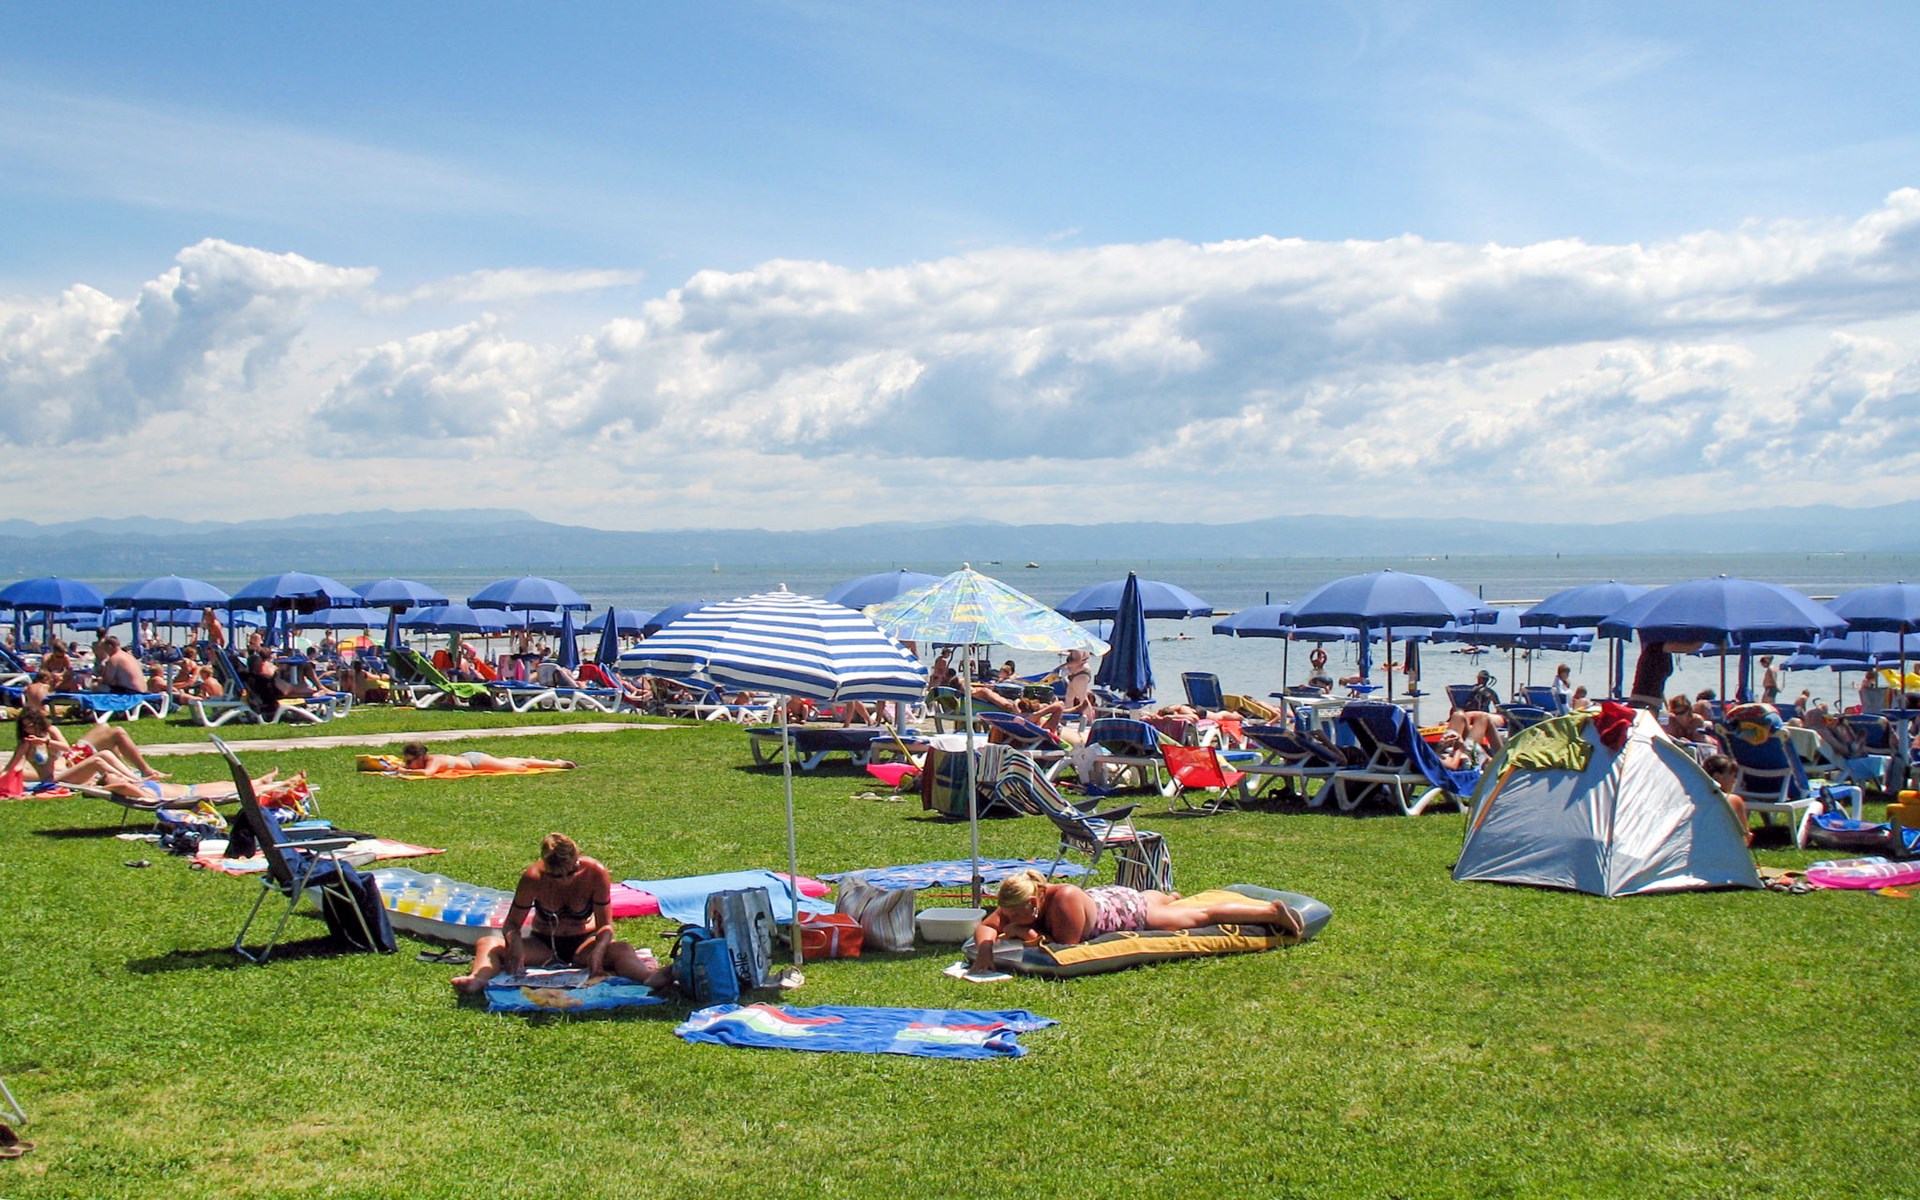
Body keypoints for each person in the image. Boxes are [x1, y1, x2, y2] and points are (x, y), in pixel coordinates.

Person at [968, 870, 1303, 975]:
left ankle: (1270, 912)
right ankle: (1168, 896)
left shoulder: (1063, 899)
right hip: (1107, 897)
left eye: (1014, 914)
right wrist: (985, 949)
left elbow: (1067, 946)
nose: (1007, 919)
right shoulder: (1022, 901)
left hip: (1125, 910)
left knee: (1201, 916)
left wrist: (1024, 933)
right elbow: (987, 925)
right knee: (1158, 900)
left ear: (1032, 904)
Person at [453, 833, 670, 993]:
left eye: (571, 872)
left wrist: (599, 949)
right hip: (543, 944)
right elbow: (512, 924)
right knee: (488, 943)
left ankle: (649, 977)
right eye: (557, 876)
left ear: (578, 859)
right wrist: (515, 942)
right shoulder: (533, 878)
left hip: (584, 943)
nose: (565, 880)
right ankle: (477, 979)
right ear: (546, 868)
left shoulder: (595, 872)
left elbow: (605, 924)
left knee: (622, 949)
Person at [397, 742, 576, 776]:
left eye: (410, 761)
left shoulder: (433, 761)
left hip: (475, 762)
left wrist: (405, 771)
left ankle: (557, 763)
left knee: (517, 767)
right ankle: (537, 760)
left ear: (421, 757)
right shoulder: (429, 759)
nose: (409, 765)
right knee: (510, 762)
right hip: (471, 759)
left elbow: (427, 773)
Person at [1629, 640, 1705, 711]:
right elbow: (1689, 647)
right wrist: (1703, 638)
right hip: (1643, 702)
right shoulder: (1656, 646)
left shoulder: (1662, 651)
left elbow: (1656, 680)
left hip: (1652, 701)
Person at [1701, 753, 1752, 847]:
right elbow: (1745, 837)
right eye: (1733, 775)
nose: (1735, 781)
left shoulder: (1694, 800)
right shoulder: (1733, 800)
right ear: (1717, 776)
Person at [1061, 648, 1096, 725]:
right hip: (1075, 674)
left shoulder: (1078, 648)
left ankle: (1090, 721)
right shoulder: (1082, 647)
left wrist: (1063, 666)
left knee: (1083, 698)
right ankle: (1065, 719)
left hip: (1080, 674)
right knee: (1069, 698)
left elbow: (1078, 661)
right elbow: (1079, 657)